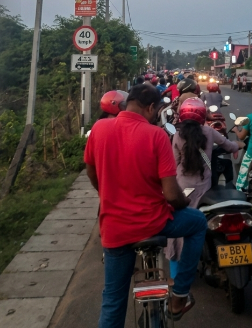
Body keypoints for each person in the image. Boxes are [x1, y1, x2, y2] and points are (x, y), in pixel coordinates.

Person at [85, 84, 207, 327]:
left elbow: (91, 171)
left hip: (115, 230)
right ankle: (180, 294)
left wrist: (107, 193)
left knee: (113, 300)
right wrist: (183, 202)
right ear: (151, 107)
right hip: (153, 223)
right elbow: (171, 195)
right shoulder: (157, 135)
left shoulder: (99, 128)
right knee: (198, 222)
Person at [167, 98, 243, 278]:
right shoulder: (209, 131)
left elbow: (174, 163)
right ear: (202, 115)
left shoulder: (177, 135)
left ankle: (176, 272)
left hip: (183, 188)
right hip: (204, 189)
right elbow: (228, 145)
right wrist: (238, 145)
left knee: (178, 227)